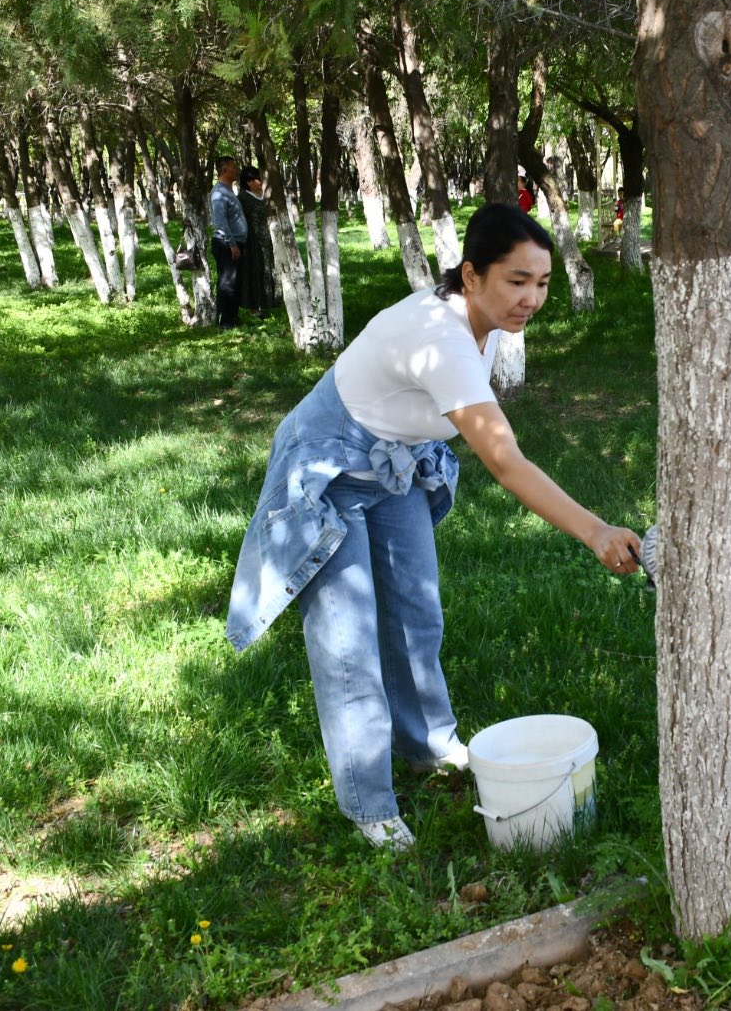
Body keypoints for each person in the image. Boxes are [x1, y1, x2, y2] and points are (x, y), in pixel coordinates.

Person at [225, 203, 641, 851]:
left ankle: (431, 747)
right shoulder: (439, 336)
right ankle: (369, 804)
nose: (531, 298)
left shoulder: (486, 320)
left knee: (418, 610)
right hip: (332, 467)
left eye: (542, 283)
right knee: (347, 642)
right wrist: (595, 530)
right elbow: (505, 461)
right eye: (516, 281)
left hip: (392, 465)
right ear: (470, 275)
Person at [209, 156, 249, 328]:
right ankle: (225, 321)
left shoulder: (228, 191)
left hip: (235, 243)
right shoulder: (219, 193)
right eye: (233, 167)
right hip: (226, 244)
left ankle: (233, 317)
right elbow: (220, 222)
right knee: (227, 282)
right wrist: (232, 244)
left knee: (235, 282)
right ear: (224, 169)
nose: (237, 170)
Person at [237, 166, 276, 318]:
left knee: (267, 270)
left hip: (267, 240)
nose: (259, 181)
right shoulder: (243, 198)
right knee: (254, 272)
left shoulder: (264, 195)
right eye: (256, 179)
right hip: (252, 241)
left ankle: (267, 303)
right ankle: (254, 308)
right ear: (248, 182)